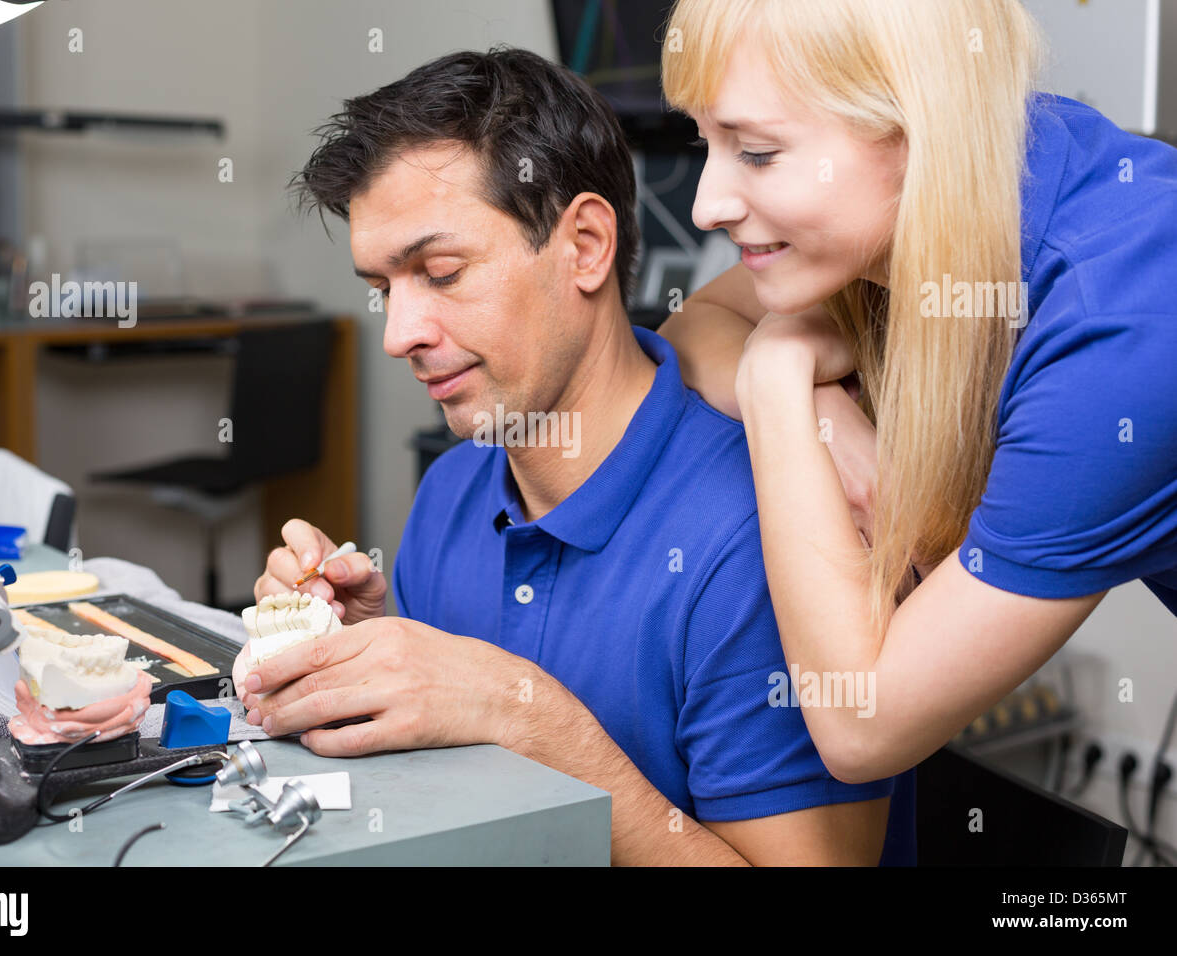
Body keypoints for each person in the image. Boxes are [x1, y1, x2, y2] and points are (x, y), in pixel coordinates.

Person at [242, 47, 913, 865]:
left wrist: (528, 719)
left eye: (442, 273)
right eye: (385, 289)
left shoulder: (762, 538)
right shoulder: (455, 487)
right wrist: (375, 659)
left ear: (587, 246)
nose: (398, 335)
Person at [657, 0, 1177, 785]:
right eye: (708, 143)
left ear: (914, 131)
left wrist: (776, 385)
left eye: (758, 152)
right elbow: (697, 323)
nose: (706, 205)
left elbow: (863, 725)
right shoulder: (983, 177)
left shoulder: (1119, 329)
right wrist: (825, 415)